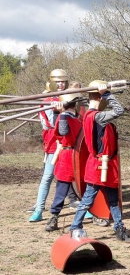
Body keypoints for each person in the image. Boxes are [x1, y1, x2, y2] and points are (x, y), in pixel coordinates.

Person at [69, 80, 130, 243]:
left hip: (104, 165)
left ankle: (119, 228)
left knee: (113, 200)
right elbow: (118, 110)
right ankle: (75, 227)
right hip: (99, 166)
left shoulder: (89, 116)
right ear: (100, 98)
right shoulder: (98, 116)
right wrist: (106, 93)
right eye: (104, 98)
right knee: (87, 199)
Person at [29, 70, 80, 222]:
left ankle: (87, 207)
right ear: (52, 82)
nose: (61, 84)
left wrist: (66, 107)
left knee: (76, 177)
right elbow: (50, 124)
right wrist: (57, 110)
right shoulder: (46, 99)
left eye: (63, 81)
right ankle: (38, 210)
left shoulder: (69, 97)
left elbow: (77, 118)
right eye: (58, 81)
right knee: (48, 177)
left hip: (70, 145)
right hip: (54, 145)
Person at [45, 91, 83, 231]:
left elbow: (63, 131)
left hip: (70, 154)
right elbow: (63, 131)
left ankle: (54, 216)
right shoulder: (79, 117)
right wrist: (59, 112)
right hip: (75, 155)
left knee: (66, 188)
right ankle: (54, 216)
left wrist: (60, 113)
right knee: (73, 188)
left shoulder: (70, 117)